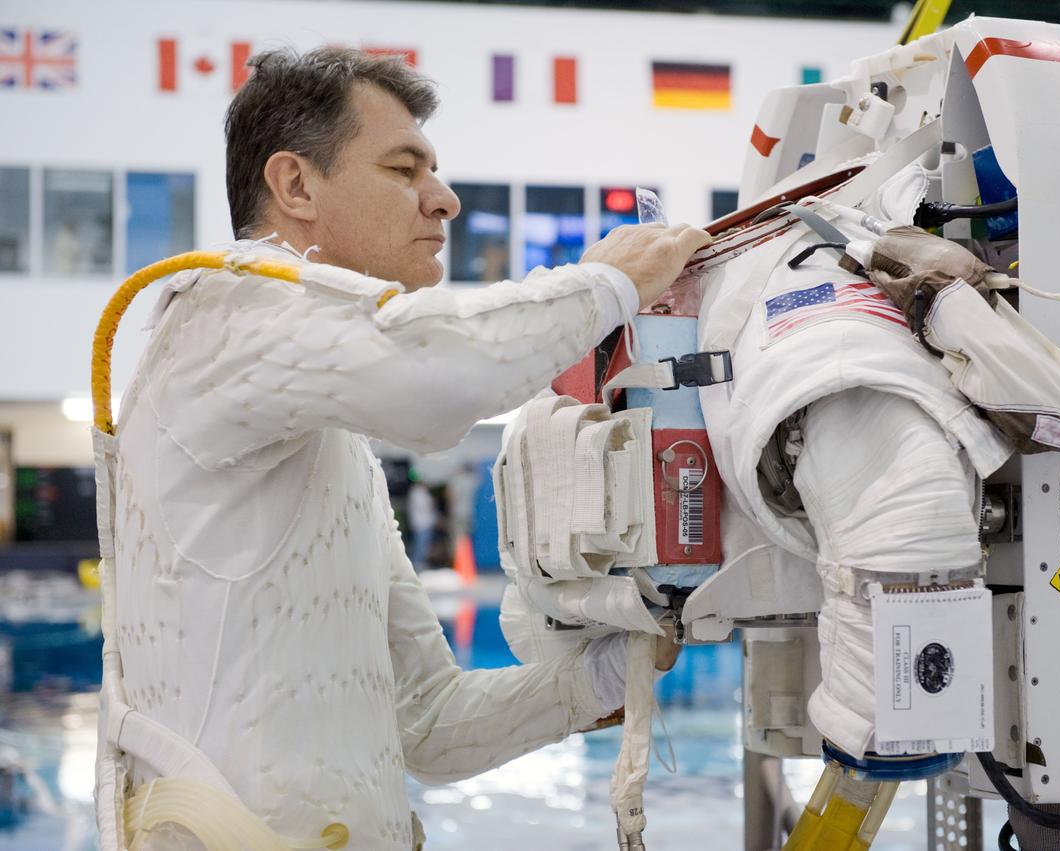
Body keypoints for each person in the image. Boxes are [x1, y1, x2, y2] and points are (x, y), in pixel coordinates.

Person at [103, 46, 708, 850]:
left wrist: (618, 663)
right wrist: (605, 284)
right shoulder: (226, 316)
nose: (445, 200)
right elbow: (440, 375)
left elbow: (429, 722)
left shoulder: (320, 428)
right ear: (295, 186)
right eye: (404, 169)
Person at [405, 478, 437, 570]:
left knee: (422, 546)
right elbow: (425, 507)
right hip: (421, 524)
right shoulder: (418, 493)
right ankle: (415, 564)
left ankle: (417, 563)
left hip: (423, 523)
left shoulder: (418, 493)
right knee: (420, 546)